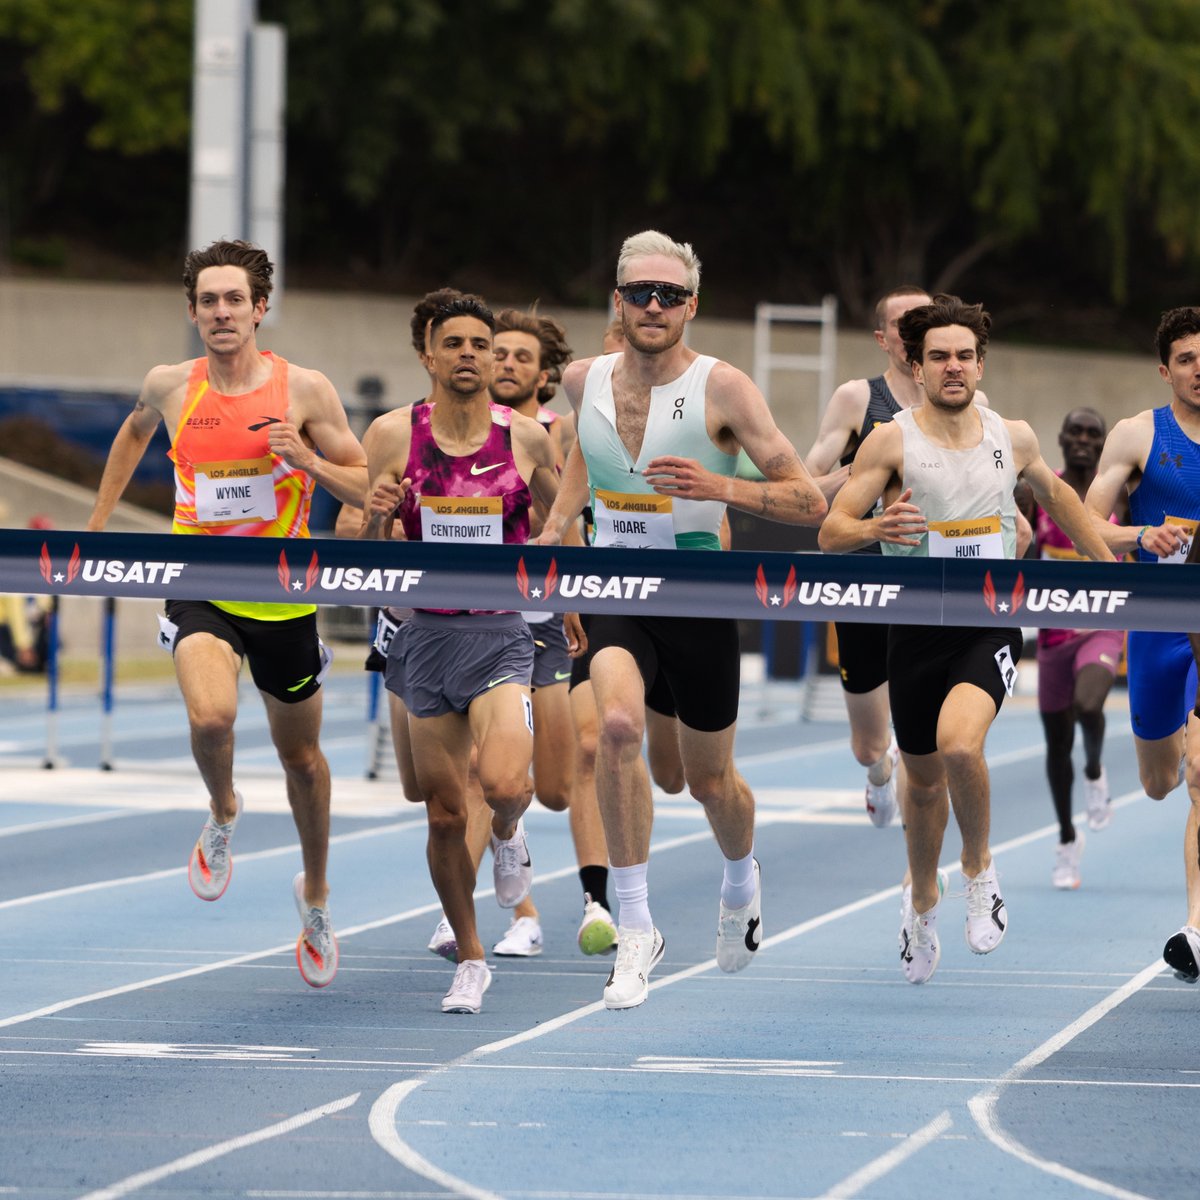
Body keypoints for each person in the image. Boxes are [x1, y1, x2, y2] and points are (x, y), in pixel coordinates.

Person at [537, 229, 828, 1010]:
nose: (654, 306)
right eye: (640, 293)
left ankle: (741, 877)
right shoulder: (580, 379)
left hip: (698, 596)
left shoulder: (723, 389)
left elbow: (810, 500)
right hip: (615, 591)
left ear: (692, 306)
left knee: (703, 781)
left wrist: (719, 487)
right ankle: (636, 926)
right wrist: (560, 525)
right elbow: (580, 459)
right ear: (619, 301)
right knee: (618, 729)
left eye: (669, 295)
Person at [86, 239, 369, 988]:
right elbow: (135, 429)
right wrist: (100, 520)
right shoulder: (172, 385)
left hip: (281, 599)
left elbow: (366, 483)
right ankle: (224, 808)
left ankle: (315, 893)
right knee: (212, 719)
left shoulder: (304, 390)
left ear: (259, 309)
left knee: (302, 761)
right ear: (192, 311)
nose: (220, 312)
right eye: (207, 301)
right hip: (198, 581)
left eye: (234, 300)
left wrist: (308, 463)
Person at [819, 294, 1114, 986]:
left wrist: (1107, 567)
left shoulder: (1010, 434)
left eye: (964, 356)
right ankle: (922, 899)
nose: (953, 367)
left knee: (960, 744)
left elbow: (1061, 499)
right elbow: (833, 531)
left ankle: (979, 870)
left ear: (981, 364)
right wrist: (875, 530)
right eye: (938, 357)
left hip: (986, 623)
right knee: (921, 786)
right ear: (916, 368)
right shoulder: (890, 440)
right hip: (913, 628)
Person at [362, 296, 564, 1014]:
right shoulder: (392, 434)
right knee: (444, 815)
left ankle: (510, 834)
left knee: (507, 783)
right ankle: (472, 958)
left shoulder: (526, 438)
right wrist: (377, 513)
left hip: (500, 635)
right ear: (429, 355)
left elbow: (564, 518)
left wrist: (560, 573)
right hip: (425, 641)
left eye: (482, 343)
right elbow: (364, 552)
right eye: (456, 343)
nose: (472, 354)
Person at [1085, 306, 1200, 981]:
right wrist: (1141, 537)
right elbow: (1086, 524)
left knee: (1199, 776)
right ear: (1166, 370)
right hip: (1156, 622)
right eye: (1186, 358)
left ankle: (1195, 926)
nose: (1198, 369)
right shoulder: (1138, 435)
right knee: (1160, 782)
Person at [1033, 407, 1127, 889]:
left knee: (1089, 705)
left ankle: (1094, 770)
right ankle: (1067, 841)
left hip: (1104, 625)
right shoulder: (1040, 490)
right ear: (1062, 438)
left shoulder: (1119, 495)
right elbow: (1020, 551)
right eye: (1077, 432)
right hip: (1052, 635)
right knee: (1055, 745)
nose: (1084, 441)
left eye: (1094, 433)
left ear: (1104, 441)